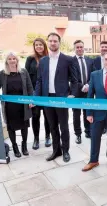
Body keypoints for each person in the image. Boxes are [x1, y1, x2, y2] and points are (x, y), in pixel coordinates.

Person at [34, 32, 78, 163]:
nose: (53, 43)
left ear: (59, 43)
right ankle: (56, 150)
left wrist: (73, 94)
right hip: (47, 99)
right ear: (48, 42)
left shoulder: (68, 59)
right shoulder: (43, 61)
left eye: (55, 41)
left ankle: (65, 151)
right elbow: (39, 81)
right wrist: (36, 97)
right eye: (51, 41)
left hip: (61, 98)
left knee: (63, 127)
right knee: (52, 126)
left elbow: (75, 80)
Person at [0, 52, 33, 157]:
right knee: (11, 127)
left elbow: (29, 87)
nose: (12, 60)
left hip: (23, 104)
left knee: (24, 126)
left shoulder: (23, 72)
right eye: (10, 59)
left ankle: (24, 146)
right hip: (9, 106)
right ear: (6, 61)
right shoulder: (2, 73)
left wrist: (31, 101)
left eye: (14, 58)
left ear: (17, 60)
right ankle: (14, 146)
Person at [24, 38, 51, 150]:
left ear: (44, 46)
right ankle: (36, 139)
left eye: (41, 45)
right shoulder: (30, 59)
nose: (39, 47)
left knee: (48, 116)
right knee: (35, 116)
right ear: (34, 47)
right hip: (34, 92)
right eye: (36, 45)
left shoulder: (49, 58)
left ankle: (48, 136)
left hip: (46, 93)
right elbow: (26, 76)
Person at [71, 40, 94, 144]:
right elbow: (72, 78)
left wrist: (88, 85)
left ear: (83, 48)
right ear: (74, 48)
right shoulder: (71, 61)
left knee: (87, 112)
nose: (79, 49)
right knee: (76, 114)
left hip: (88, 91)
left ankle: (88, 131)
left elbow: (93, 74)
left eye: (81, 47)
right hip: (76, 92)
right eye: (77, 47)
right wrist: (82, 86)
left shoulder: (89, 60)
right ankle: (78, 134)